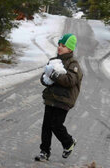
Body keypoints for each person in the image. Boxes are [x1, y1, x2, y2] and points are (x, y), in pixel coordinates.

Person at [35, 33, 83, 161]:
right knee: (46, 126)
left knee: (56, 124)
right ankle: (44, 151)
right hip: (51, 98)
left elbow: (69, 81)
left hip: (64, 100)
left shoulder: (74, 65)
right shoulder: (53, 61)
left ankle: (68, 142)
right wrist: (45, 80)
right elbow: (45, 76)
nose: (59, 48)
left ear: (70, 49)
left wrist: (54, 75)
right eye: (59, 45)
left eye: (63, 46)